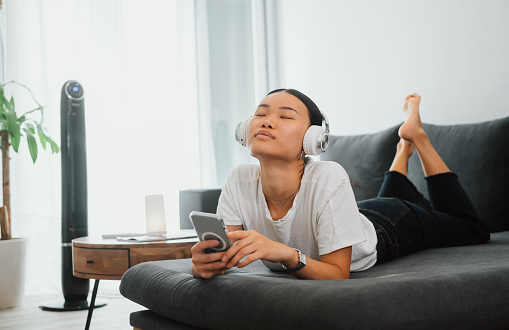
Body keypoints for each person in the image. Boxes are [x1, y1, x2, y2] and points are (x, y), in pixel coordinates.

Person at [191, 89, 490, 280]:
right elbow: (226, 253)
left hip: (389, 227)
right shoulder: (237, 179)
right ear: (245, 130)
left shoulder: (329, 175)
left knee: (471, 228)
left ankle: (418, 139)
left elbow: (337, 274)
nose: (267, 121)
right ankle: (402, 151)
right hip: (355, 217)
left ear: (312, 140)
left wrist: (283, 251)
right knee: (391, 196)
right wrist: (204, 264)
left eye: (285, 116)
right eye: (260, 113)